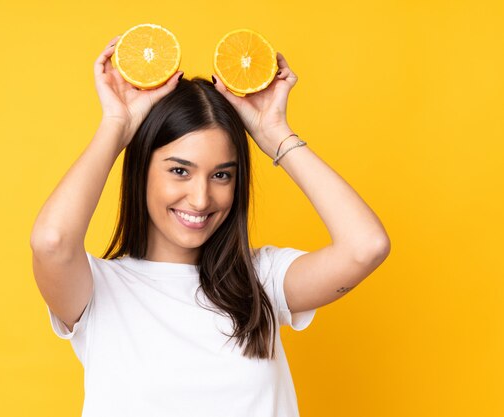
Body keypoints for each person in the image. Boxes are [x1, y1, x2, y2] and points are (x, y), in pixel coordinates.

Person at [30, 35, 390, 417]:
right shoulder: (98, 291)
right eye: (180, 171)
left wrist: (276, 135)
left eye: (221, 175)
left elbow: (365, 246)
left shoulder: (262, 281)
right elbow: (51, 242)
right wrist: (117, 126)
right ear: (141, 172)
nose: (201, 199)